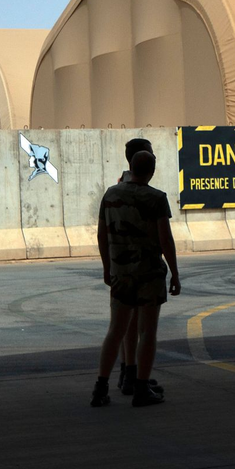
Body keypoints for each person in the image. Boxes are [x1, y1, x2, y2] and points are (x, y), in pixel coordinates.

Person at [90, 150, 181, 407]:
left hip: (121, 273)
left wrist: (108, 268)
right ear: (152, 172)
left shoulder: (110, 194)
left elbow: (101, 235)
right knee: (147, 332)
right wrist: (174, 272)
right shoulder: (157, 198)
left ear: (129, 167)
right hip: (149, 274)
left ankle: (100, 387)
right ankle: (142, 388)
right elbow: (166, 240)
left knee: (115, 331)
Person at [112, 138, 164, 398]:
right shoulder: (140, 189)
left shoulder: (119, 186)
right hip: (142, 266)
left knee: (126, 325)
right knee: (140, 327)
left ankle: (129, 372)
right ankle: (134, 374)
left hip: (121, 266)